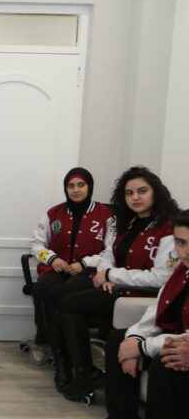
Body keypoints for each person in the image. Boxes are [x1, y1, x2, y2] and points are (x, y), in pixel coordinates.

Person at [78, 210, 189, 419]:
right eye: (180, 242)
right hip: (176, 338)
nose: (185, 251)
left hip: (181, 344)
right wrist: (136, 338)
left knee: (167, 359)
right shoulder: (182, 271)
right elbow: (158, 310)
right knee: (119, 338)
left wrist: (142, 347)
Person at [57, 166, 179, 401]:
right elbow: (107, 255)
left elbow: (161, 276)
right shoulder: (123, 221)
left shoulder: (168, 226)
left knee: (70, 305)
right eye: (129, 193)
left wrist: (113, 275)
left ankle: (84, 374)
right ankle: (82, 371)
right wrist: (105, 274)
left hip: (142, 294)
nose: (135, 198)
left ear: (155, 192)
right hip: (117, 288)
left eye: (142, 191)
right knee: (64, 299)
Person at [28, 168, 111, 390]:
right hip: (57, 269)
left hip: (87, 272)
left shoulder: (106, 215)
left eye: (81, 185)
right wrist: (52, 258)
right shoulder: (53, 213)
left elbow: (111, 251)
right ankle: (45, 342)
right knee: (42, 289)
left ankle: (64, 357)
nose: (76, 190)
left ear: (89, 187)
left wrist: (84, 263)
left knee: (62, 296)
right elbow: (36, 244)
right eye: (71, 186)